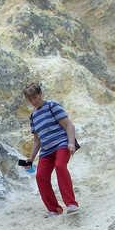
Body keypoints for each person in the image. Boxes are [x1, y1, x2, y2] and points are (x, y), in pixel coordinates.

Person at [22, 82, 79, 216]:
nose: (33, 101)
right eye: (30, 99)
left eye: (35, 97)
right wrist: (31, 158)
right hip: (46, 151)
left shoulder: (52, 106)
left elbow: (69, 125)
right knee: (40, 176)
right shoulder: (33, 116)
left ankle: (71, 204)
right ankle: (54, 209)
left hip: (62, 144)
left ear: (40, 94)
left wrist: (71, 143)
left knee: (60, 166)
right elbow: (37, 140)